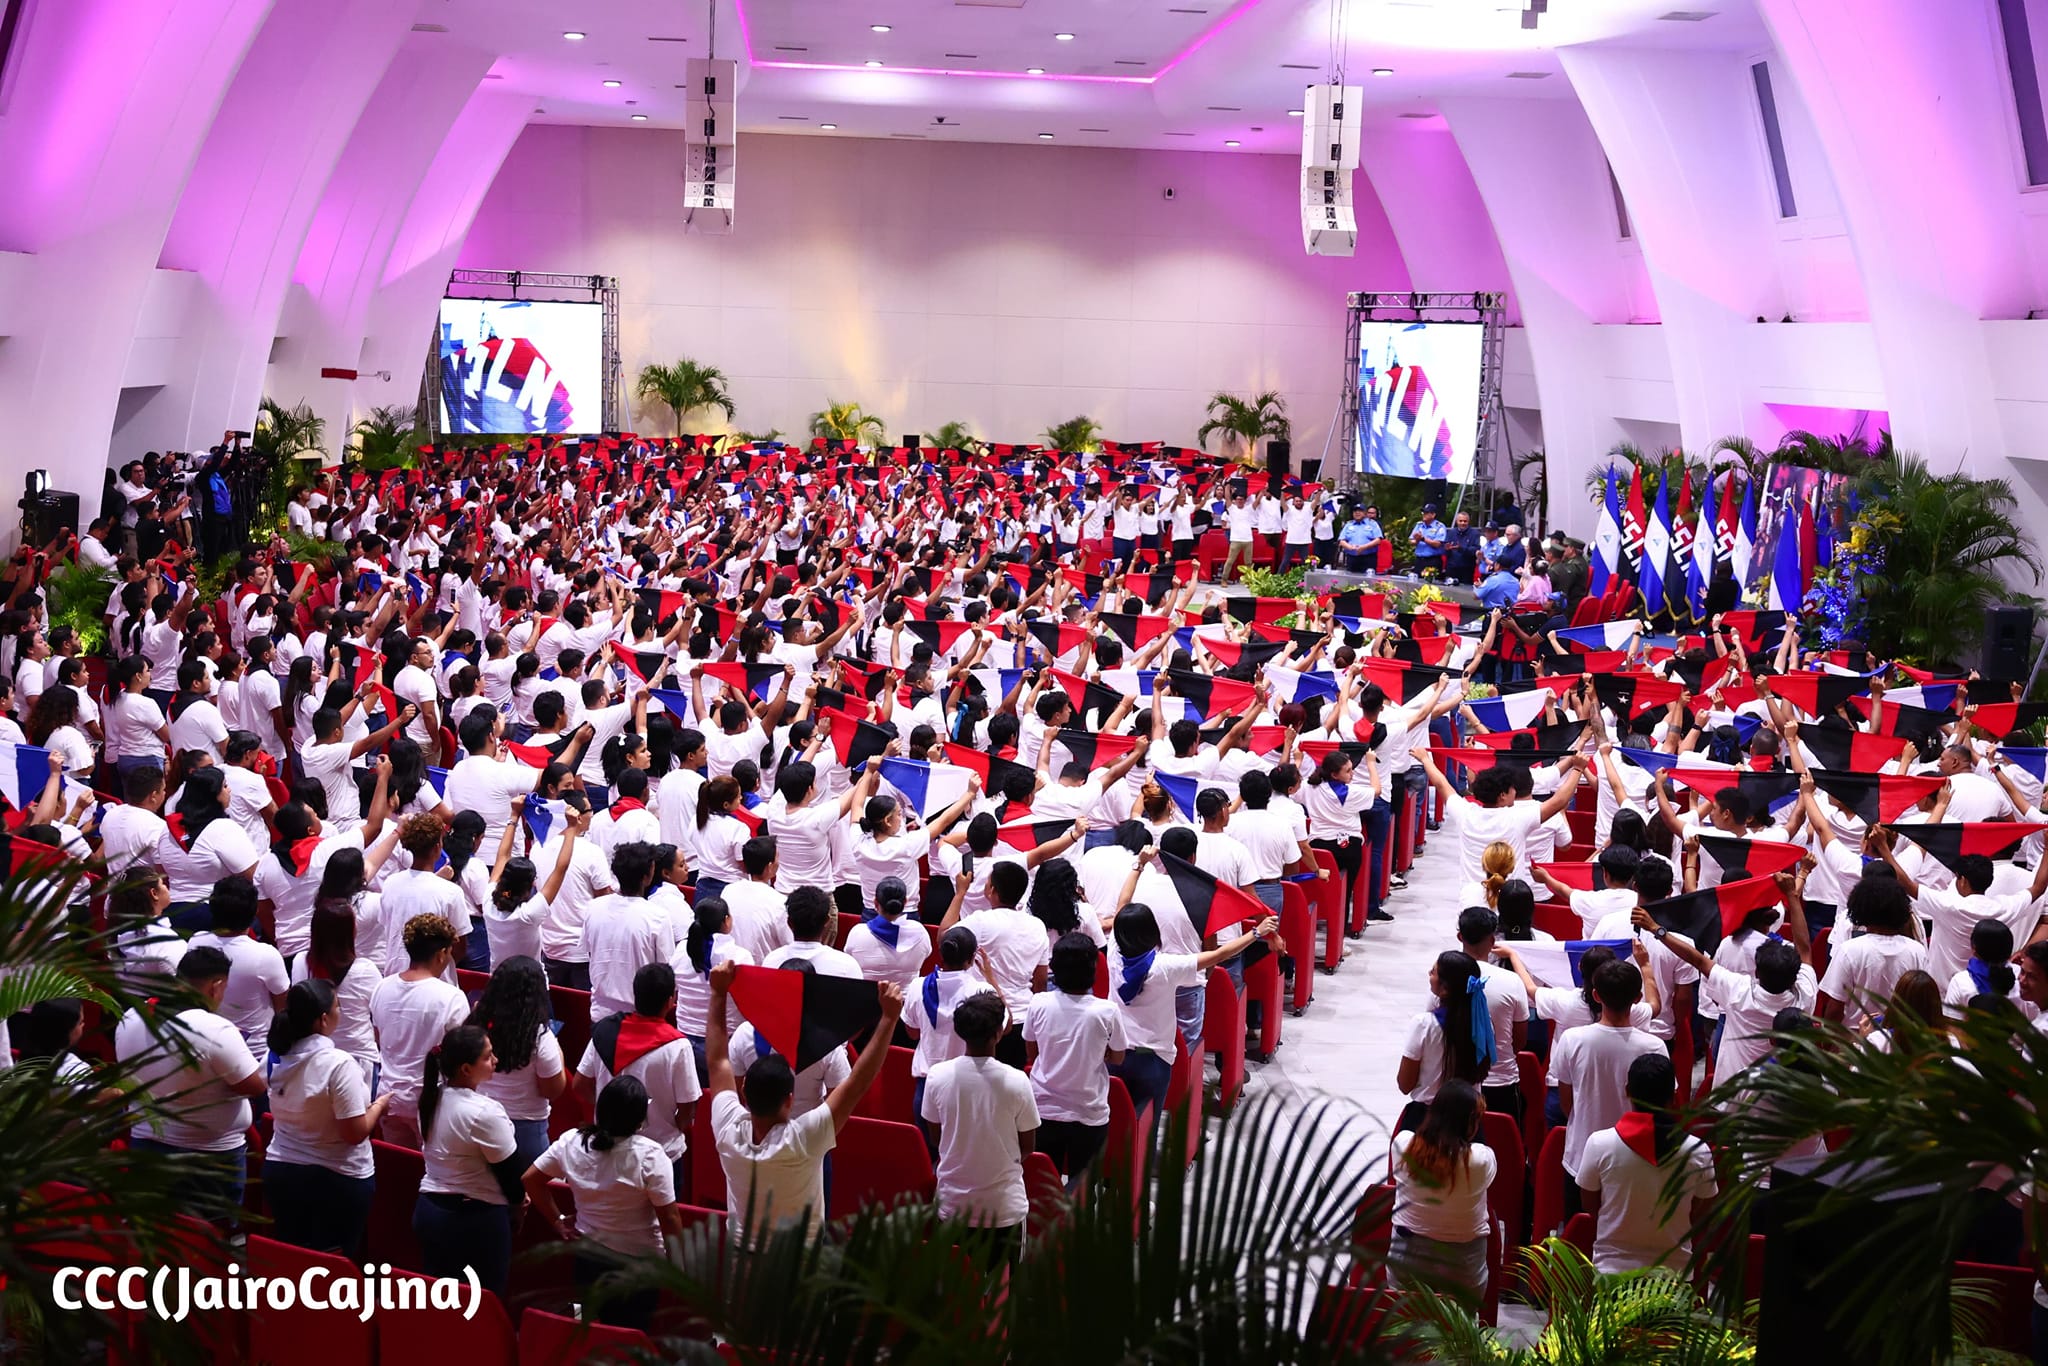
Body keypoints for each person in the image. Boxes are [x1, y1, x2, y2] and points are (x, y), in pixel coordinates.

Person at [703, 960, 904, 1244]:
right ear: (789, 1099)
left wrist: (718, 993)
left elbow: (717, 1062)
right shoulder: (805, 1140)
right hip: (799, 1262)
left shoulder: (727, 1129)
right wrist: (889, 1019)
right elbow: (856, 1084)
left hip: (742, 1260)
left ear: (744, 1091)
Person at [113, 946, 268, 1220]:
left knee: (154, 1235)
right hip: (208, 1160)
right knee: (209, 1244)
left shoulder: (130, 1017)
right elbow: (254, 1086)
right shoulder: (214, 1030)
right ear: (215, 986)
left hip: (146, 1147)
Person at [524, 1076, 683, 1330]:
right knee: (631, 1338)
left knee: (598, 1334)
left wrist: (558, 1221)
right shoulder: (651, 1156)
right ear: (640, 1119)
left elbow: (531, 1179)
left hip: (588, 1259)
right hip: (638, 1265)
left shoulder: (572, 1141)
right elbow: (670, 1218)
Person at [264, 979, 389, 1257]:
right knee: (333, 1270)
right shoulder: (339, 1064)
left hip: (283, 1173)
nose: (340, 1011)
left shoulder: (274, 1055)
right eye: (338, 1007)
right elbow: (354, 1133)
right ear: (323, 1019)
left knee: (292, 1261)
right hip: (336, 1179)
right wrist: (379, 1105)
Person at [923, 991, 1041, 1269]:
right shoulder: (1017, 1081)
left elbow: (936, 1137)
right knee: (1004, 1295)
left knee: (954, 1296)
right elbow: (1028, 1147)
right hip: (1003, 1209)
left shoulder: (937, 1076)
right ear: (999, 1033)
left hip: (953, 1204)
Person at [1577, 1053, 1718, 1275]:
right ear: (1673, 1097)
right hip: (1674, 1275)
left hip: (1612, 1270)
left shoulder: (1599, 1143)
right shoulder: (1698, 1151)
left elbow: (1590, 1204)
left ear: (1627, 1091)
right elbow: (1702, 1209)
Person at [412, 1024, 524, 1299]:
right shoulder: (484, 1114)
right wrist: (520, 1204)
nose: (495, 1060)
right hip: (474, 1221)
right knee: (484, 1303)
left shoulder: (431, 1096)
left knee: (439, 1302)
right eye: (488, 1056)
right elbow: (511, 1177)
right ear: (465, 1068)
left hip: (430, 1212)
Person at [575, 962, 703, 1192]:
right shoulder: (678, 1046)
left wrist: (609, 1112)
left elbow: (580, 1084)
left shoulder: (604, 1030)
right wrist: (672, 1126)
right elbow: (688, 1108)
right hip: (662, 1152)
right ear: (670, 1001)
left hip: (609, 1146)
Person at [1547, 958, 1665, 1195]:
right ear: (1637, 997)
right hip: (1635, 1157)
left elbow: (1567, 1101)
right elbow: (1664, 1106)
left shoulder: (1572, 1039)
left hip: (1581, 1154)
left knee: (1581, 1228)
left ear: (1596, 995)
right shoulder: (1655, 1046)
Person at [1023, 933, 1127, 1186]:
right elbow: (1118, 1057)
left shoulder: (1038, 1002)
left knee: (1045, 1188)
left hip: (1043, 1108)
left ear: (1055, 969)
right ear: (1093, 968)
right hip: (1088, 1111)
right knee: (1084, 1187)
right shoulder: (1107, 1010)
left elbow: (1031, 1053)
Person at [368, 914, 471, 1148]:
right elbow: (459, 1055)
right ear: (442, 954)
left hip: (389, 1097)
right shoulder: (452, 997)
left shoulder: (382, 987)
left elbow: (378, 1038)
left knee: (402, 1171)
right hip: (431, 1103)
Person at [1387, 1080, 1495, 1299]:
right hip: (1463, 1259)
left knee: (1405, 1324)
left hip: (1408, 1253)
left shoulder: (1402, 1145)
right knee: (1458, 1328)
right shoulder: (1481, 1159)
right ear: (1470, 1123)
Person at [467, 955, 568, 1168]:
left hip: (477, 1119)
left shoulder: (475, 1022)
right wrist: (557, 1047)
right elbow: (553, 1090)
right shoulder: (540, 1036)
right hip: (525, 1130)